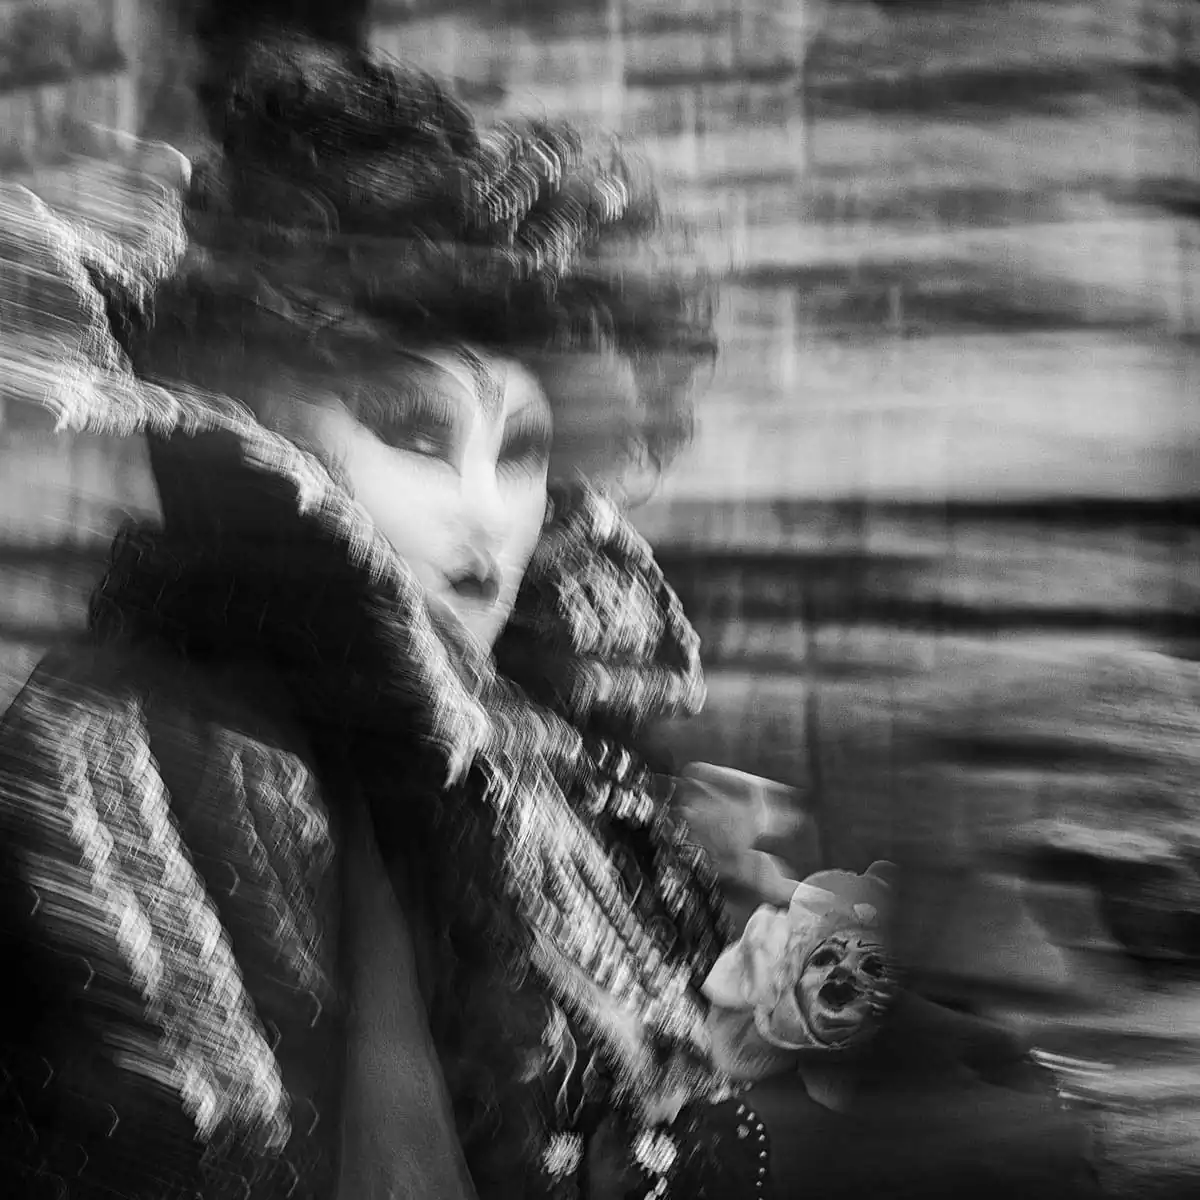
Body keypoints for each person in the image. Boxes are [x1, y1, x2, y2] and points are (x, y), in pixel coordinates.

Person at [0, 5, 1099, 1199]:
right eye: (414, 433)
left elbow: (662, 1087)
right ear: (261, 427)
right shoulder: (132, 759)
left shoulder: (550, 770)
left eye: (521, 452)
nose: (488, 522)